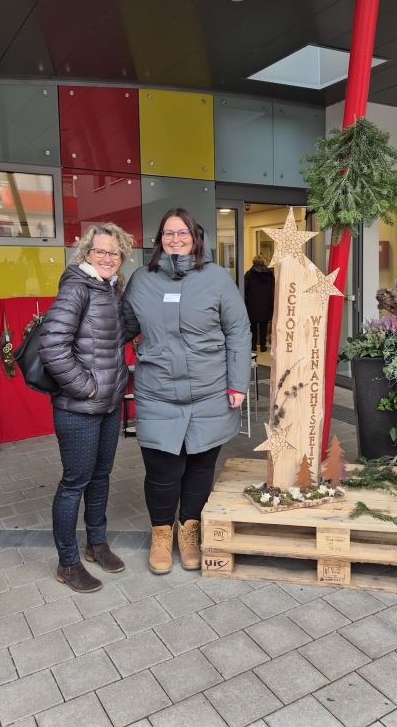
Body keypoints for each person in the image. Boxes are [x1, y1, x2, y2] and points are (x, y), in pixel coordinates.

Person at [123, 207, 251, 575]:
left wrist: (237, 383)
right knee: (162, 468)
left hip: (209, 390)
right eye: (168, 233)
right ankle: (162, 533)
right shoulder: (141, 280)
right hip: (157, 390)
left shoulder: (217, 279)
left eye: (182, 233)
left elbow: (238, 332)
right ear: (158, 239)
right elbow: (125, 326)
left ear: (196, 238)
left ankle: (190, 530)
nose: (175, 239)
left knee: (199, 466)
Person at [38, 223, 133, 593]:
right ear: (87, 254)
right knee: (74, 482)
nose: (108, 258)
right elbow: (52, 346)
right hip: (80, 406)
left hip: (107, 405)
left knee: (101, 475)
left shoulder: (109, 289)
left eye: (114, 253)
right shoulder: (78, 286)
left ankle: (96, 543)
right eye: (101, 252)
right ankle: (68, 562)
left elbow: (112, 338)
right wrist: (87, 388)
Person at [244, 254, 275, 352]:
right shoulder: (270, 274)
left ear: (253, 263)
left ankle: (253, 346)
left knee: (252, 326)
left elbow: (244, 289)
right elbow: (273, 288)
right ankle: (262, 346)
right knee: (264, 325)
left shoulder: (249, 274)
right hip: (266, 303)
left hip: (252, 303)